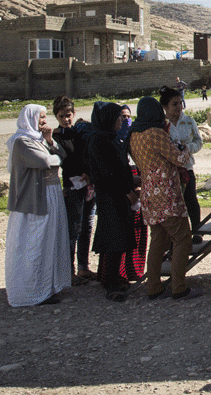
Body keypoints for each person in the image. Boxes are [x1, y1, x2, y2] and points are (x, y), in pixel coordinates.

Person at [128, 96, 202, 300]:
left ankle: (154, 287)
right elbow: (178, 158)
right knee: (182, 238)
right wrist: (185, 148)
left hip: (149, 194)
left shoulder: (134, 134)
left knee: (158, 241)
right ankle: (179, 287)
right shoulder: (155, 133)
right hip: (166, 193)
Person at [4, 103, 72, 307]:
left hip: (50, 196)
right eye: (40, 117)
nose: (43, 121)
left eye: (44, 117)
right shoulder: (21, 142)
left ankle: (48, 287)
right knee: (35, 244)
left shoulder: (38, 139)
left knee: (51, 242)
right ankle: (30, 291)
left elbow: (61, 156)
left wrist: (50, 141)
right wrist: (54, 156)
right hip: (35, 201)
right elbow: (47, 161)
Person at [85, 101, 138, 302]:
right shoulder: (99, 141)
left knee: (119, 238)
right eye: (117, 117)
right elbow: (108, 174)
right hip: (111, 197)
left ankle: (112, 277)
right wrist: (128, 192)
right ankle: (110, 284)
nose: (121, 121)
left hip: (118, 196)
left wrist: (132, 182)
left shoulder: (111, 139)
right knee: (114, 239)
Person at [51, 96, 95, 285]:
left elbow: (87, 155)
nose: (66, 120)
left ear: (74, 114)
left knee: (87, 226)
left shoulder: (80, 133)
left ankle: (83, 267)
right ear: (56, 116)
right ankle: (69, 272)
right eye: (62, 116)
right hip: (71, 187)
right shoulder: (55, 136)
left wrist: (88, 172)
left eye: (68, 115)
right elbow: (62, 160)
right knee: (73, 229)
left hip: (87, 185)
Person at [162, 86, 204, 244]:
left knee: (191, 199)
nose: (179, 107)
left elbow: (199, 142)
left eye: (180, 103)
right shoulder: (162, 124)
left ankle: (197, 231)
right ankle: (176, 237)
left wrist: (188, 148)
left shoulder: (188, 121)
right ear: (165, 107)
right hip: (169, 170)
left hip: (186, 167)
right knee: (173, 204)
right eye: (174, 104)